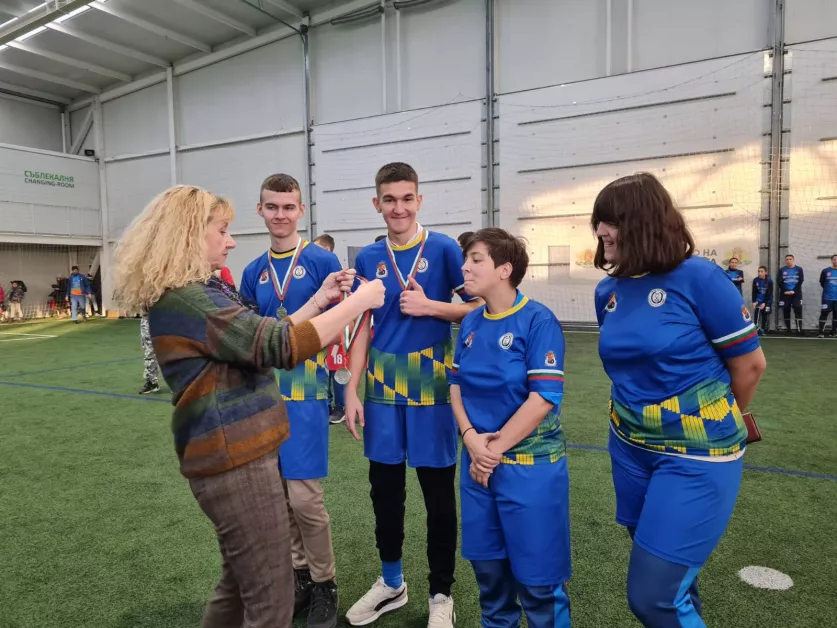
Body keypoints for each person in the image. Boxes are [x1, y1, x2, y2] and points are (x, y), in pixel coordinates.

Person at [112, 184, 384, 628]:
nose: (231, 241)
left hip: (231, 450)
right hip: (235, 456)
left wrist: (319, 301)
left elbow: (255, 336)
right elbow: (275, 344)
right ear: (190, 234)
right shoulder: (192, 299)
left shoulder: (191, 293)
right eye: (222, 230)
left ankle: (320, 582)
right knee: (270, 600)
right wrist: (359, 301)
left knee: (238, 585)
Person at [592, 173, 766, 628]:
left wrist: (711, 418)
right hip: (629, 449)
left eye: (610, 221)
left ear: (642, 222)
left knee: (653, 598)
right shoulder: (607, 291)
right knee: (676, 588)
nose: (600, 231)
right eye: (599, 222)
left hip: (696, 456)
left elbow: (750, 366)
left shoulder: (700, 278)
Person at [344, 162, 480, 628]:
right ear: (377, 203)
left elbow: (480, 306)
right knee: (385, 494)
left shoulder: (443, 249)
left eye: (406, 198)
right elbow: (363, 326)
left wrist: (431, 307)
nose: (398, 208)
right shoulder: (368, 257)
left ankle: (441, 593)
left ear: (419, 200)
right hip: (381, 392)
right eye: (389, 199)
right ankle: (391, 583)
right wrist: (351, 389)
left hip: (433, 389)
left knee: (438, 497)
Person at [450, 228, 571, 628]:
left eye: (476, 260)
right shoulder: (470, 322)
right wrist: (471, 439)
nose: (465, 267)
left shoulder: (538, 320)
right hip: (478, 469)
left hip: (529, 470)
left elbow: (542, 399)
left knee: (539, 585)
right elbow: (456, 386)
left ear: (505, 269)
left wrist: (491, 450)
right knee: (490, 579)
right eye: (466, 260)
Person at [239, 174, 343, 628]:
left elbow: (340, 323)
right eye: (272, 206)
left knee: (304, 499)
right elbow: (250, 336)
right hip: (263, 395)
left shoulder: (321, 260)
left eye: (288, 207)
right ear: (260, 210)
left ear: (301, 210)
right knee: (278, 496)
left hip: (307, 393)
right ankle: (299, 576)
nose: (280, 215)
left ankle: (325, 582)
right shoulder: (252, 271)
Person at [314, 233, 347, 423]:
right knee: (325, 367)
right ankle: (327, 403)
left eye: (317, 248)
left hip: (335, 329)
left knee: (337, 367)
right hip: (319, 330)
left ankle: (341, 406)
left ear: (327, 250)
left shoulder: (337, 273)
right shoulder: (315, 272)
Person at [778, 254, 804, 334]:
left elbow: (800, 281)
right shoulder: (782, 270)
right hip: (785, 294)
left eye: (790, 259)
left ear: (793, 260)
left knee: (798, 310)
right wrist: (785, 290)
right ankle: (788, 330)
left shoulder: (799, 269)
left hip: (796, 294)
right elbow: (779, 281)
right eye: (787, 259)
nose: (788, 261)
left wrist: (794, 291)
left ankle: (799, 330)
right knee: (786, 310)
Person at [139, 314, 161, 395]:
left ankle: (177, 384)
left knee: (172, 352)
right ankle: (152, 383)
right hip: (147, 319)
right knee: (149, 353)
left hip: (166, 316)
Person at [818, 254, 837, 338]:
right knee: (824, 313)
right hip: (827, 297)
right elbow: (822, 282)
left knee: (836, 314)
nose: (836, 261)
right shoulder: (825, 271)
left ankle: (833, 332)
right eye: (834, 259)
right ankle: (821, 332)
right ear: (831, 260)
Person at [751, 266, 774, 335]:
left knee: (765, 314)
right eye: (758, 271)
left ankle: (764, 329)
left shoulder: (769, 281)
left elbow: (769, 294)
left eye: (761, 271)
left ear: (765, 273)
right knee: (757, 314)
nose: (760, 273)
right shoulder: (755, 280)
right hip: (758, 300)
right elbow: (754, 292)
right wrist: (754, 301)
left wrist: (765, 303)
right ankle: (756, 328)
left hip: (767, 300)